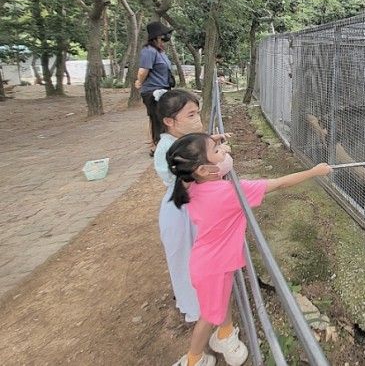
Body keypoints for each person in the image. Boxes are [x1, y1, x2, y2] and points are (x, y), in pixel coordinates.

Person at [166, 133, 332, 366]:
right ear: (203, 169)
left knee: (219, 302)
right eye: (217, 151)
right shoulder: (231, 192)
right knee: (208, 316)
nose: (224, 151)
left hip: (208, 261)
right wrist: (315, 171)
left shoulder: (191, 184)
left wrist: (214, 143)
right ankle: (193, 359)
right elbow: (281, 183)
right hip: (215, 267)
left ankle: (224, 335)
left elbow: (196, 162)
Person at [153, 89, 231, 324]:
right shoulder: (168, 149)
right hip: (181, 216)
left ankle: (201, 304)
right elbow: (209, 170)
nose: (198, 119)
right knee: (189, 262)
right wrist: (223, 155)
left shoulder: (175, 141)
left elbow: (195, 150)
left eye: (198, 113)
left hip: (185, 209)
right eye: (191, 115)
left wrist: (212, 143)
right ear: (169, 121)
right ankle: (198, 308)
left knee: (193, 260)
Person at [136, 21, 175, 153]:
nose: (166, 37)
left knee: (161, 117)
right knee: (157, 118)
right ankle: (156, 147)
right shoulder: (149, 51)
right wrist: (139, 81)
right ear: (157, 36)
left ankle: (158, 143)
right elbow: (143, 71)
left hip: (163, 89)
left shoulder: (160, 52)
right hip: (152, 91)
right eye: (163, 34)